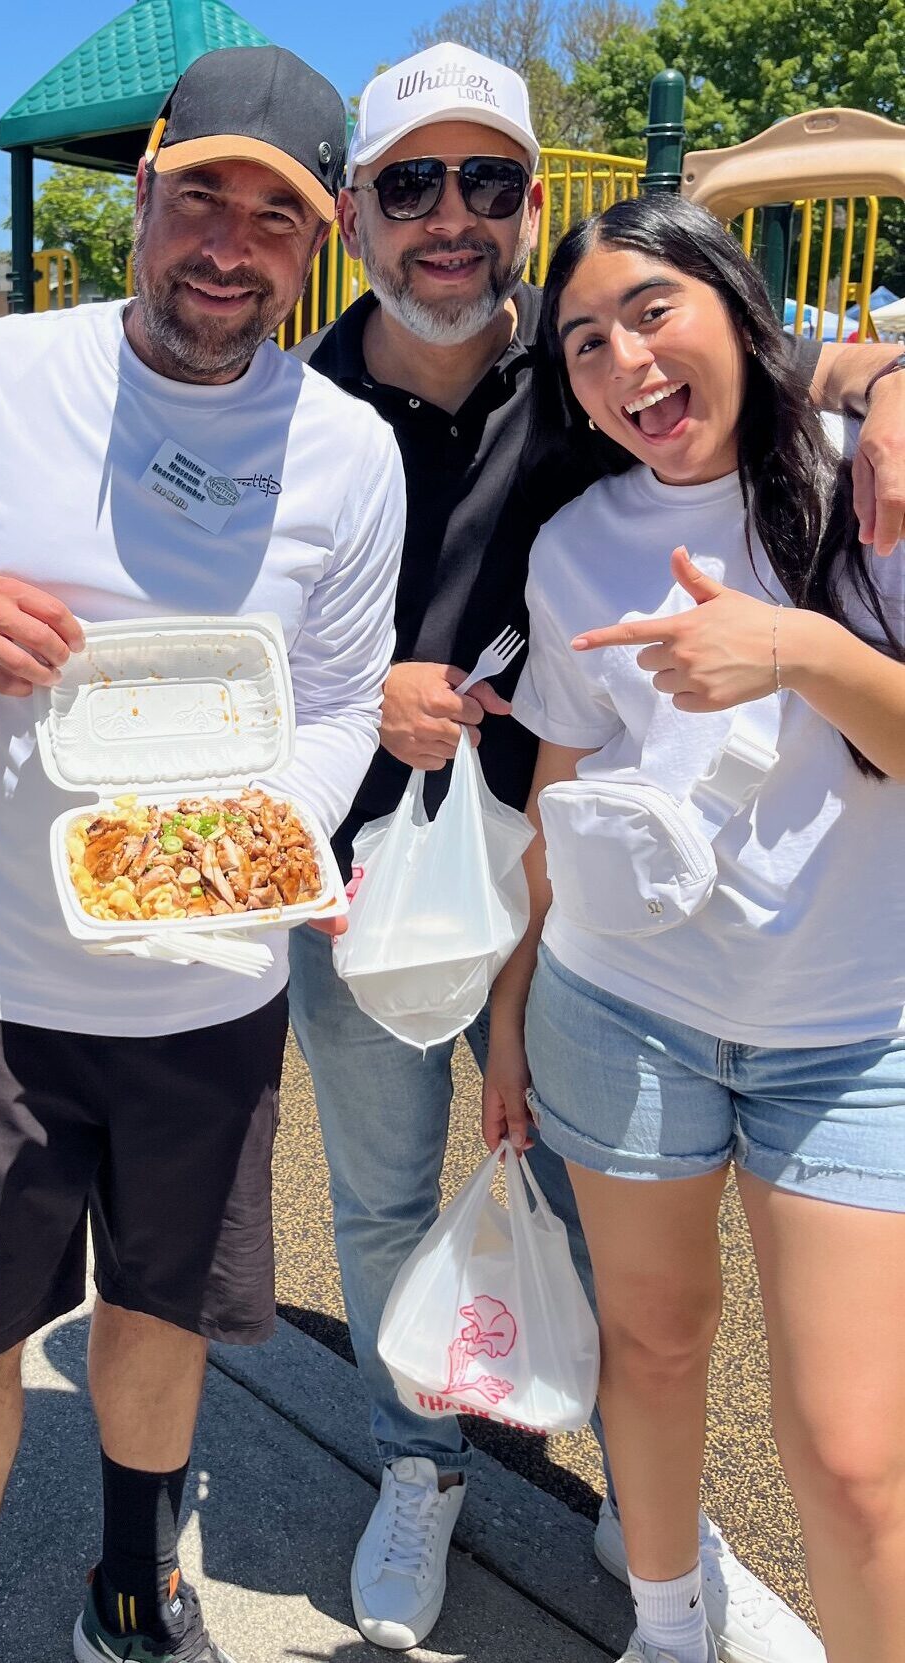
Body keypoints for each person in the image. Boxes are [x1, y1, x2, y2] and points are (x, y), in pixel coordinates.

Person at [290, 38, 905, 1659]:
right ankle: (470, 1493)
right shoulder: (293, 412)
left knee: (777, 1399)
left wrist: (879, 386)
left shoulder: (675, 436)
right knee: (415, 1219)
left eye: (486, 181)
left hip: (716, 960)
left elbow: (783, 409)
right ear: (359, 207)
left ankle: (667, 1543)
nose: (449, 216)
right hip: (407, 897)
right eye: (412, 180)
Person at [0, 43, 405, 1663]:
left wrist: (265, 835)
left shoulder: (346, 451)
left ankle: (134, 1587)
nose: (225, 239)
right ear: (137, 198)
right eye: (195, 193)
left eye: (267, 214)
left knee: (162, 1312)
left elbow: (342, 694)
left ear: (317, 236)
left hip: (203, 973)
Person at [486, 190, 905, 1663]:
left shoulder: (877, 485)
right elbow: (560, 783)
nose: (624, 364)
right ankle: (666, 1626)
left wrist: (792, 645)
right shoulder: (577, 541)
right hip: (623, 1005)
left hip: (853, 1030)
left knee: (857, 1458)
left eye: (651, 313)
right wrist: (511, 1003)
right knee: (652, 1348)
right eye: (584, 343)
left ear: (736, 303)